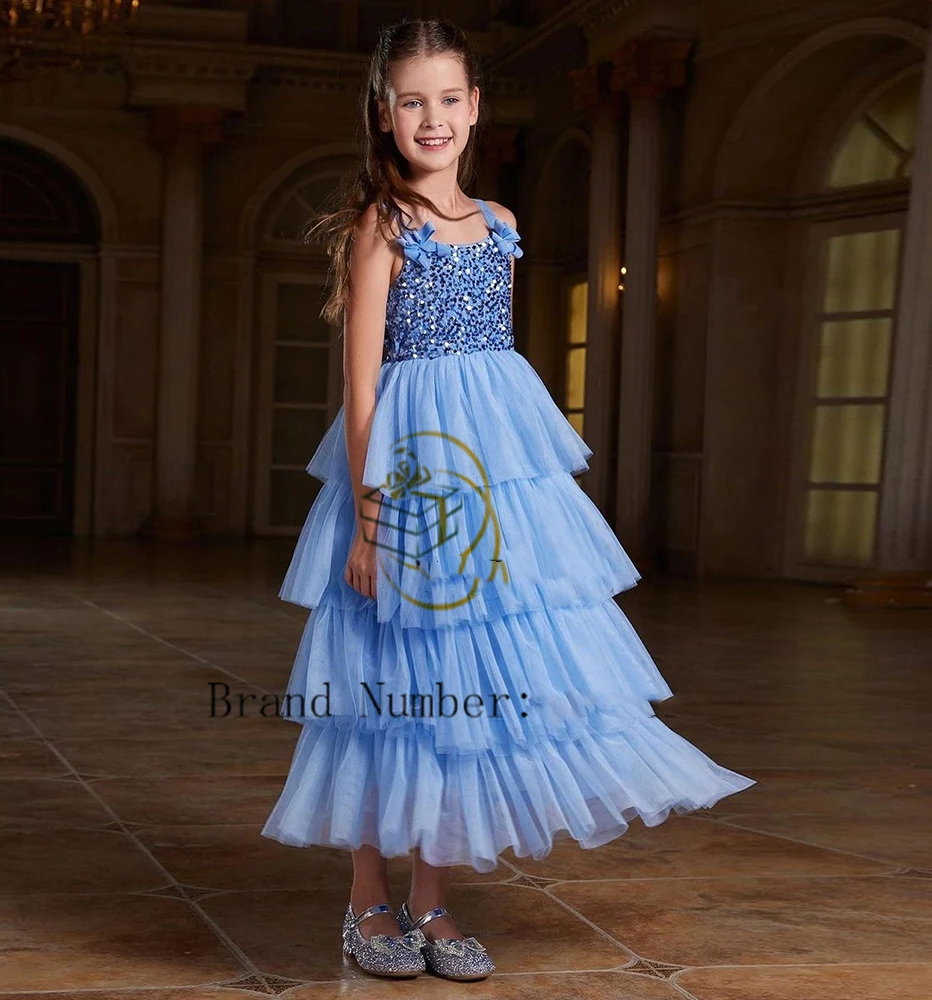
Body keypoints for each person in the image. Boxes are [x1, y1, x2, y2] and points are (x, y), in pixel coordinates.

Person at [260, 16, 756, 983]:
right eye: (412, 101)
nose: (432, 118)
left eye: (449, 98)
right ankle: (369, 902)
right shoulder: (381, 226)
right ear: (384, 112)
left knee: (468, 695)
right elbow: (362, 389)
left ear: (477, 107)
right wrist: (368, 520)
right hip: (408, 471)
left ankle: (434, 899)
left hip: (492, 470)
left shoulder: (502, 225)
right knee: (390, 687)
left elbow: (488, 367)